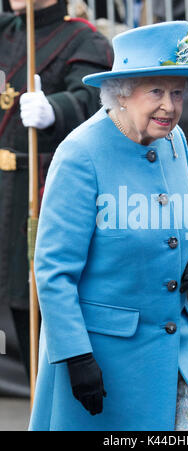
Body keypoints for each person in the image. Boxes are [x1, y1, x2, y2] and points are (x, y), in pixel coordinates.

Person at [28, 21, 188, 431]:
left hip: (174, 350)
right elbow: (52, 270)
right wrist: (76, 356)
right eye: (156, 91)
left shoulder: (175, 140)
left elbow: (182, 219)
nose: (169, 106)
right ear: (122, 92)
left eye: (177, 92)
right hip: (104, 359)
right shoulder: (80, 153)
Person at [0, 0, 113, 380]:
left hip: (37, 186)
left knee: (33, 301)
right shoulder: (6, 30)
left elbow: (95, 100)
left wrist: (54, 109)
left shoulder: (82, 40)